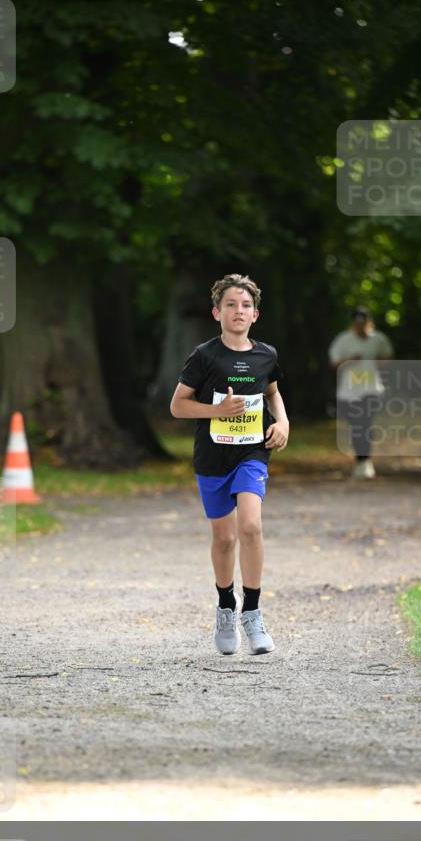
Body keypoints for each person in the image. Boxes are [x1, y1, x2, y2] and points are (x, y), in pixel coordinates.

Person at [170, 274, 289, 655]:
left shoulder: (266, 355)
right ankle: (226, 606)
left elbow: (273, 392)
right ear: (216, 312)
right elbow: (178, 406)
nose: (238, 311)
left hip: (252, 453)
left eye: (245, 305)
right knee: (224, 538)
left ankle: (252, 613)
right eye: (231, 305)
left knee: (250, 526)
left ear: (255, 314)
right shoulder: (204, 356)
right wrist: (216, 410)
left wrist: (283, 423)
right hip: (212, 456)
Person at [328, 305, 393, 479]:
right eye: (357, 322)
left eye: (363, 322)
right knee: (357, 425)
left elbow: (387, 356)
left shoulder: (378, 339)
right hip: (349, 391)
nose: (360, 325)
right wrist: (350, 361)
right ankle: (361, 459)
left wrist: (379, 363)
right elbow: (334, 363)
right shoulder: (343, 340)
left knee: (366, 423)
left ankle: (365, 461)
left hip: (371, 389)